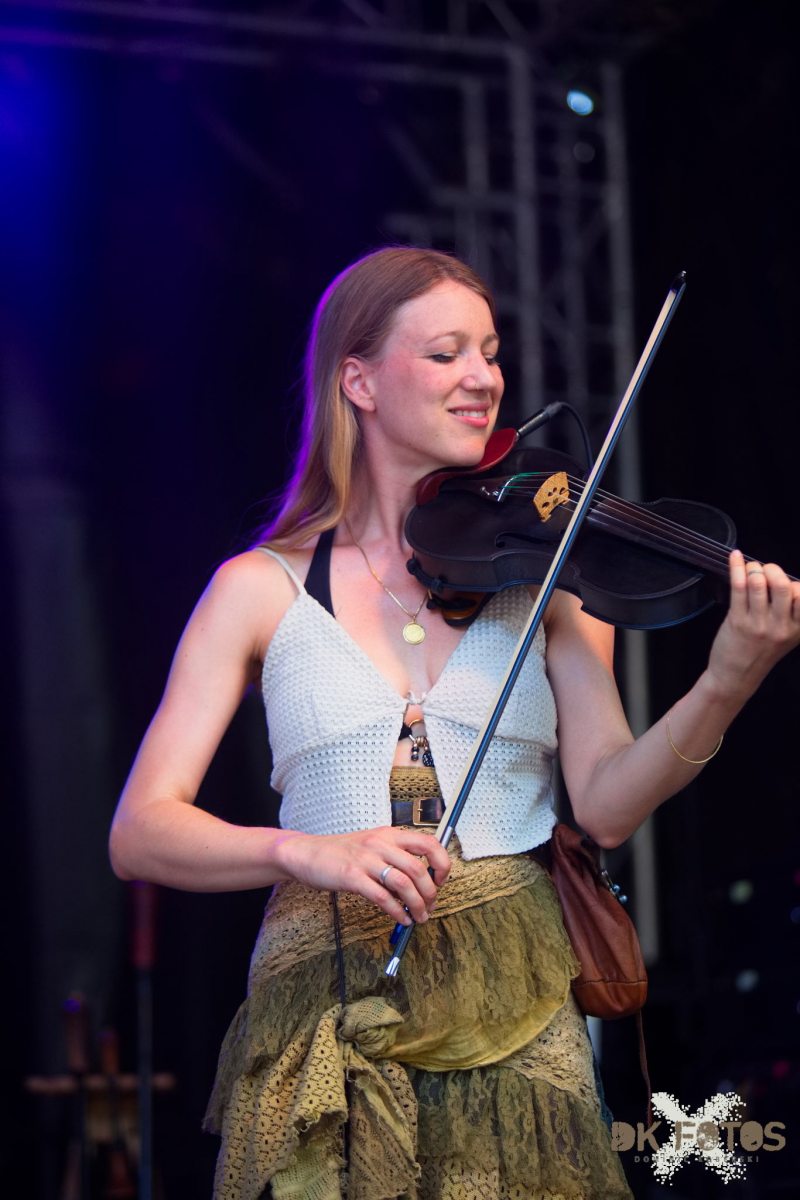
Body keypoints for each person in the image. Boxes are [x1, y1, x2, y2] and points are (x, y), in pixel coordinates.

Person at [109, 246, 800, 1200]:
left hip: (517, 997)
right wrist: (311, 853)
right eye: (446, 355)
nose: (484, 378)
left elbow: (606, 805)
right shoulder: (257, 589)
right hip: (328, 998)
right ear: (359, 381)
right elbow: (141, 830)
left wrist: (727, 679)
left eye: (491, 352)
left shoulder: (550, 577)